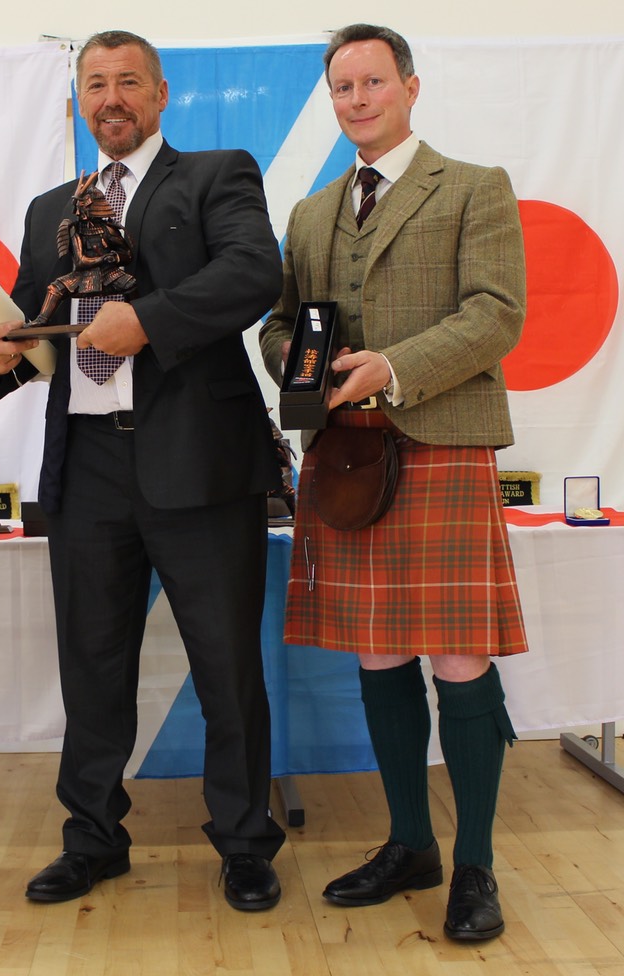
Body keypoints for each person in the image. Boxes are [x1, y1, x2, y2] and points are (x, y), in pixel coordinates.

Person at [0, 29, 286, 910]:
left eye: (129, 82)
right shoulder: (50, 208)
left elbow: (253, 273)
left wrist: (146, 320)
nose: (112, 98)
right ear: (79, 101)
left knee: (227, 667)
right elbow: (39, 330)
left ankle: (246, 842)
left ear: (161, 94)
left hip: (200, 461)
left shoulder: (217, 175)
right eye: (96, 84)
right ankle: (94, 839)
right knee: (91, 667)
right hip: (87, 467)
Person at [260, 24, 528, 942]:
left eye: (374, 81)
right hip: (347, 457)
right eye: (343, 87)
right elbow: (280, 325)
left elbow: (497, 315)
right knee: (377, 652)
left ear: (410, 87)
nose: (358, 99)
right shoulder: (311, 213)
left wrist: (393, 367)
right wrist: (299, 367)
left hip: (442, 444)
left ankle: (475, 864)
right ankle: (411, 843)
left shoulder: (475, 187)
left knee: (458, 656)